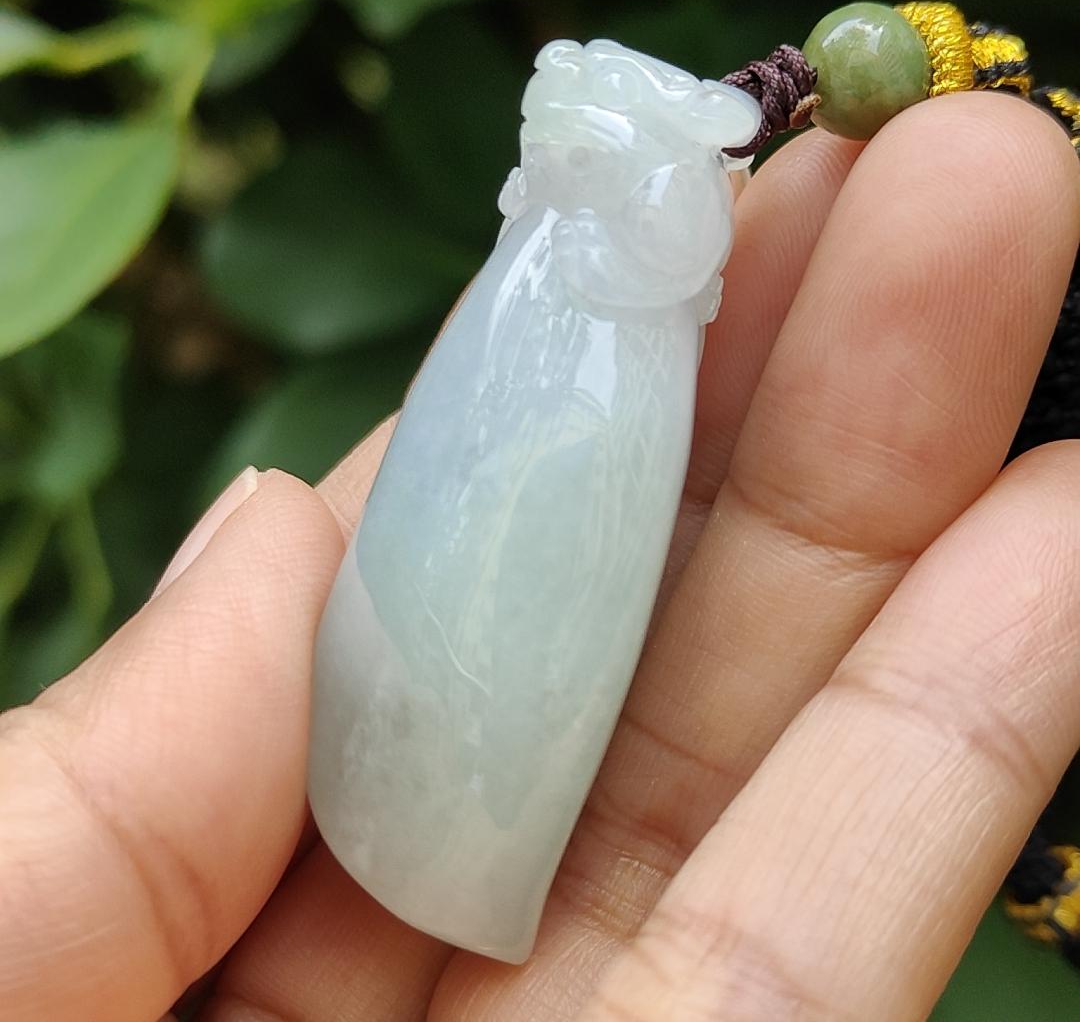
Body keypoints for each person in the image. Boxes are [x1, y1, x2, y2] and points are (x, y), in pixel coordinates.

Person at [2, 90, 1079, 1022]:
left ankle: (478, 849)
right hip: (395, 758)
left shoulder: (626, 320)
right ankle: (470, 845)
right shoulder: (545, 295)